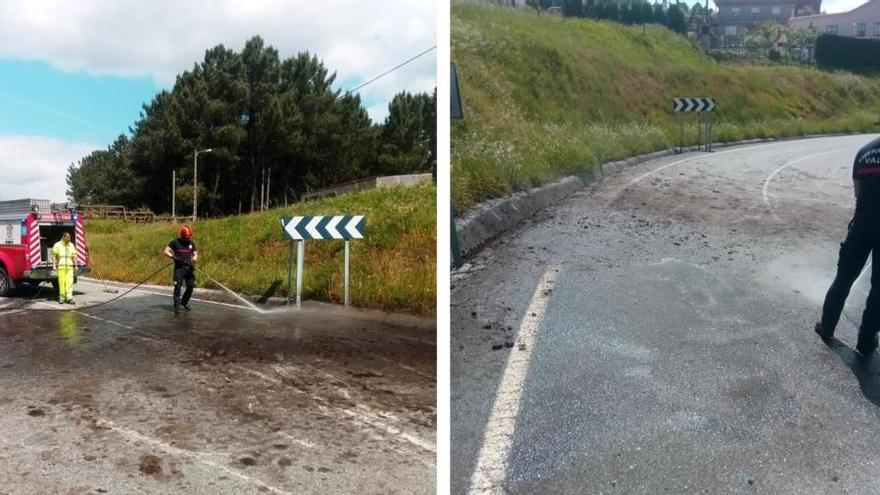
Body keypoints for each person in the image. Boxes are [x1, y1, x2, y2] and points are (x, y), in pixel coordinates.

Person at [816, 136, 880, 357]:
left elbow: (857, 192)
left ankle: (826, 326)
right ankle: (865, 341)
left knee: (844, 277)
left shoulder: (864, 152)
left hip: (861, 224)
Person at [164, 225, 198, 314]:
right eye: (187, 237)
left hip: (189, 268)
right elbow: (166, 251)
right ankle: (177, 306)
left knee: (190, 286)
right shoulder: (175, 242)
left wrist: (193, 261)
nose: (189, 238)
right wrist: (173, 257)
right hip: (179, 269)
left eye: (190, 236)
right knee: (177, 287)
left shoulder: (191, 243)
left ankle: (184, 302)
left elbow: (195, 254)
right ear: (182, 236)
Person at [52, 231, 77, 304]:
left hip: (69, 267)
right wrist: (54, 265)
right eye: (67, 237)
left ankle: (69, 298)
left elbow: (74, 256)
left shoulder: (71, 245)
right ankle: (62, 298)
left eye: (69, 237)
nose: (69, 239)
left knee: (69, 283)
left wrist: (76, 265)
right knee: (62, 283)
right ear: (63, 237)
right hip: (61, 267)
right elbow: (54, 256)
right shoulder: (57, 245)